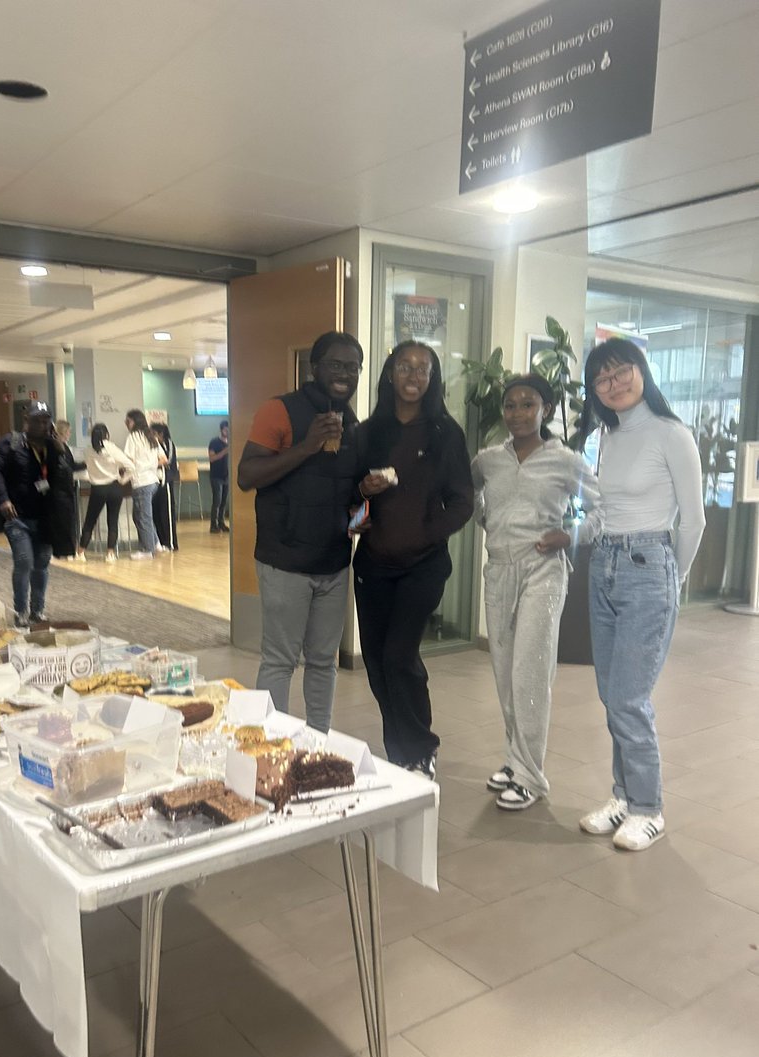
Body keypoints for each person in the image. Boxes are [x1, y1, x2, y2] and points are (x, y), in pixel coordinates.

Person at [578, 338, 705, 851]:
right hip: (604, 564)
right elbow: (604, 508)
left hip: (649, 565)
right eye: (602, 378)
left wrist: (673, 578)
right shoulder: (608, 437)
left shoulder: (672, 434)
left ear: (642, 371)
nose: (613, 384)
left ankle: (649, 808)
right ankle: (623, 797)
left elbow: (693, 521)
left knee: (629, 698)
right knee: (612, 695)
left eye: (621, 372)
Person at [238, 331, 380, 732]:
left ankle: (319, 740)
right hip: (285, 561)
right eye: (335, 364)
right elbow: (247, 476)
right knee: (280, 660)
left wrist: (361, 509)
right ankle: (272, 742)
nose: (345, 373)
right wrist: (307, 445)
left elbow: (348, 495)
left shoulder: (354, 425)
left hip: (333, 562)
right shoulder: (279, 411)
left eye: (353, 367)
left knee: (322, 661)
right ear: (314, 367)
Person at [472, 374, 602, 809]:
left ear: (545, 409)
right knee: (505, 672)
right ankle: (516, 759)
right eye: (510, 405)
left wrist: (571, 535)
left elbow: (602, 508)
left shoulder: (565, 460)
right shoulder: (489, 459)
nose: (517, 413)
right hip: (499, 569)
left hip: (543, 569)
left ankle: (530, 775)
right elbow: (467, 491)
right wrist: (485, 517)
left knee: (530, 671)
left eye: (528, 404)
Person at [353, 341, 474, 779]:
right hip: (372, 566)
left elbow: (462, 502)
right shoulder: (368, 433)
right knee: (376, 662)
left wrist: (426, 532)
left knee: (400, 657)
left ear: (432, 379)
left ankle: (421, 749)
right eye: (405, 366)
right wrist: (362, 497)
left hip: (423, 565)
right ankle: (400, 751)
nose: (414, 375)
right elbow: (349, 501)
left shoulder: (445, 433)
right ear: (390, 373)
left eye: (424, 369)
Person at [0, 400, 61, 625]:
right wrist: (3, 499)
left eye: (46, 421)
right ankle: (20, 611)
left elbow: (65, 473)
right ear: (26, 420)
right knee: (24, 561)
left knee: (41, 565)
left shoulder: (52, 447)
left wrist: (60, 449)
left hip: (45, 518)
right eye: (38, 420)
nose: (42, 425)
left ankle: (37, 610)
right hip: (17, 517)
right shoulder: (10, 443)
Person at [77, 423, 133, 562]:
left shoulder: (88, 450)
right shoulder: (112, 448)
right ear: (107, 435)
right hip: (114, 487)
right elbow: (130, 466)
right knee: (112, 521)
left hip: (98, 489)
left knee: (90, 520)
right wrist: (122, 480)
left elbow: (87, 468)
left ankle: (81, 552)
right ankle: (110, 554)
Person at [124, 409, 167, 559]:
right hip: (153, 481)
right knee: (141, 516)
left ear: (135, 422)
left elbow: (128, 460)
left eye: (128, 421)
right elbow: (164, 459)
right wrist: (151, 465)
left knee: (142, 517)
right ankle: (156, 543)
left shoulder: (133, 437)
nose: (126, 423)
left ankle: (147, 550)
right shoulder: (151, 436)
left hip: (141, 482)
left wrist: (140, 466)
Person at [49, 418, 80, 560]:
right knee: (62, 521)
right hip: (58, 490)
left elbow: (72, 466)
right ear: (63, 432)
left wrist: (88, 464)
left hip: (65, 490)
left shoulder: (65, 447)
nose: (70, 434)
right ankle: (61, 550)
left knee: (67, 521)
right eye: (68, 431)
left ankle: (66, 550)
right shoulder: (54, 448)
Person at [151, 421, 179, 551]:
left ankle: (170, 543)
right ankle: (161, 542)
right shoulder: (153, 445)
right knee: (156, 513)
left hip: (166, 481)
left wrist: (151, 463)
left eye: (154, 433)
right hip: (155, 482)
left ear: (161, 434)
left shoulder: (169, 444)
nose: (152, 436)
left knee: (166, 513)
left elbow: (167, 461)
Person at [208, 419, 230, 533]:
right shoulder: (214, 442)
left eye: (229, 430)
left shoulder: (231, 443)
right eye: (225, 430)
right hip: (216, 476)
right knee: (217, 501)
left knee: (224, 501)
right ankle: (213, 525)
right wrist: (224, 452)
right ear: (221, 430)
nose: (227, 432)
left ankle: (221, 523)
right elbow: (212, 458)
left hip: (227, 476)